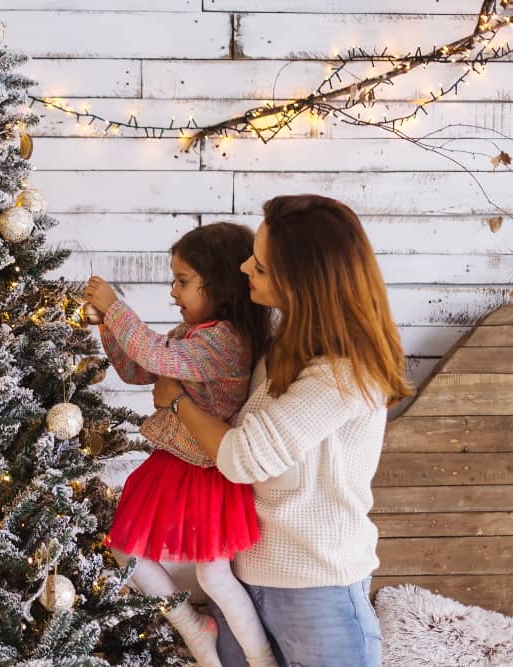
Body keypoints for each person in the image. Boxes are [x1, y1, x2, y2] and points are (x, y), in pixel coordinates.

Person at [152, 195, 412, 667]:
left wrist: (176, 401)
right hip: (246, 574)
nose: (246, 266)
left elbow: (242, 456)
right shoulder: (279, 345)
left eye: (263, 266)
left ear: (304, 282)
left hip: (317, 588)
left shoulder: (346, 370)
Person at [84, 222, 275, 667]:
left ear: (222, 285)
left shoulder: (223, 340)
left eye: (183, 281)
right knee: (126, 547)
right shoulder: (194, 334)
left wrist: (117, 307)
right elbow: (137, 370)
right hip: (177, 462)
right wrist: (107, 325)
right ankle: (193, 627)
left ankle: (261, 659)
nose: (173, 292)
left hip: (207, 466)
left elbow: (155, 356)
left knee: (214, 572)